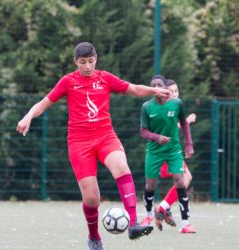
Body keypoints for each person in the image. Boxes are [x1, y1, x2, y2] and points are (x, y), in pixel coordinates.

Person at [16, 42, 171, 250]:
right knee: (91, 198)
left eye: (91, 61)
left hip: (105, 136)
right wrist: (28, 116)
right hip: (79, 143)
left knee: (122, 167)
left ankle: (133, 224)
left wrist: (155, 90)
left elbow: (133, 88)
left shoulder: (104, 78)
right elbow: (43, 104)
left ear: (96, 59)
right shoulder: (68, 82)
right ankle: (94, 237)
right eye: (82, 62)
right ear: (75, 62)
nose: (87, 66)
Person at [139, 75, 196, 235]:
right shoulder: (147, 107)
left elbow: (183, 123)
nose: (156, 87)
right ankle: (148, 215)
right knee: (150, 185)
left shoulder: (177, 104)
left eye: (159, 85)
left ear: (164, 87)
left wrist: (189, 144)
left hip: (173, 151)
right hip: (154, 151)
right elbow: (143, 131)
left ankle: (185, 223)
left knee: (180, 180)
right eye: (153, 85)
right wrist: (156, 137)